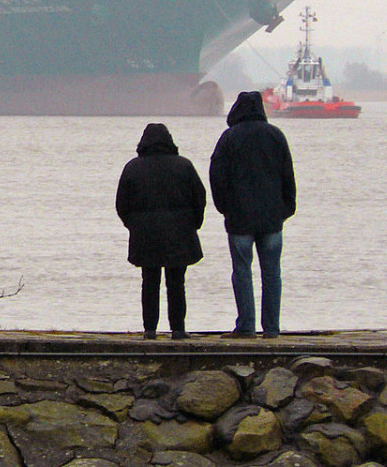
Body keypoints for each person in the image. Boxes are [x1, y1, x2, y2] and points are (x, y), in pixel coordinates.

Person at [209, 90, 296, 339]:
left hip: (239, 220)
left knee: (242, 272)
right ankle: (272, 329)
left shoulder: (229, 138)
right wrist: (286, 208)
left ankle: (246, 326)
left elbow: (217, 176)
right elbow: (287, 175)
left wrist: (225, 207)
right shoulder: (276, 136)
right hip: (272, 218)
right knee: (272, 274)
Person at [115, 123, 206, 340]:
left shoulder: (133, 167)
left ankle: (150, 330)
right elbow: (199, 198)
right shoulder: (184, 166)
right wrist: (194, 224)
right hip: (180, 233)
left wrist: (133, 225)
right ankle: (178, 329)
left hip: (145, 235)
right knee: (176, 282)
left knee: (149, 281)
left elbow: (121, 204)